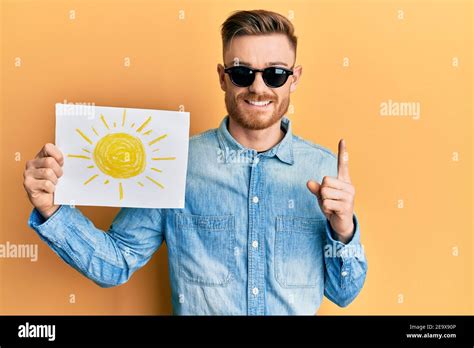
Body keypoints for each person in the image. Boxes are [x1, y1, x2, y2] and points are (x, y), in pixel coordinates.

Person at [24, 9, 367, 315]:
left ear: (295, 77)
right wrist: (51, 211)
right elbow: (115, 262)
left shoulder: (322, 171)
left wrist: (343, 229)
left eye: (275, 73)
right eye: (242, 73)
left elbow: (343, 294)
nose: (258, 87)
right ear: (222, 77)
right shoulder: (174, 163)